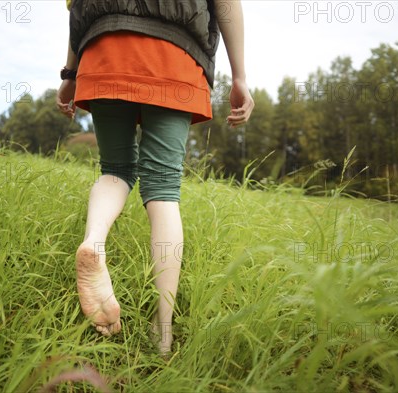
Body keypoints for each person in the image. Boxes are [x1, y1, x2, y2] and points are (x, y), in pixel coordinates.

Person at [56, 0, 254, 355]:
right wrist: (239, 77)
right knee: (163, 187)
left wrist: (70, 75)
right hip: (173, 58)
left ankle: (95, 241)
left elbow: (75, 7)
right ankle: (163, 333)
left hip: (103, 51)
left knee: (114, 169)